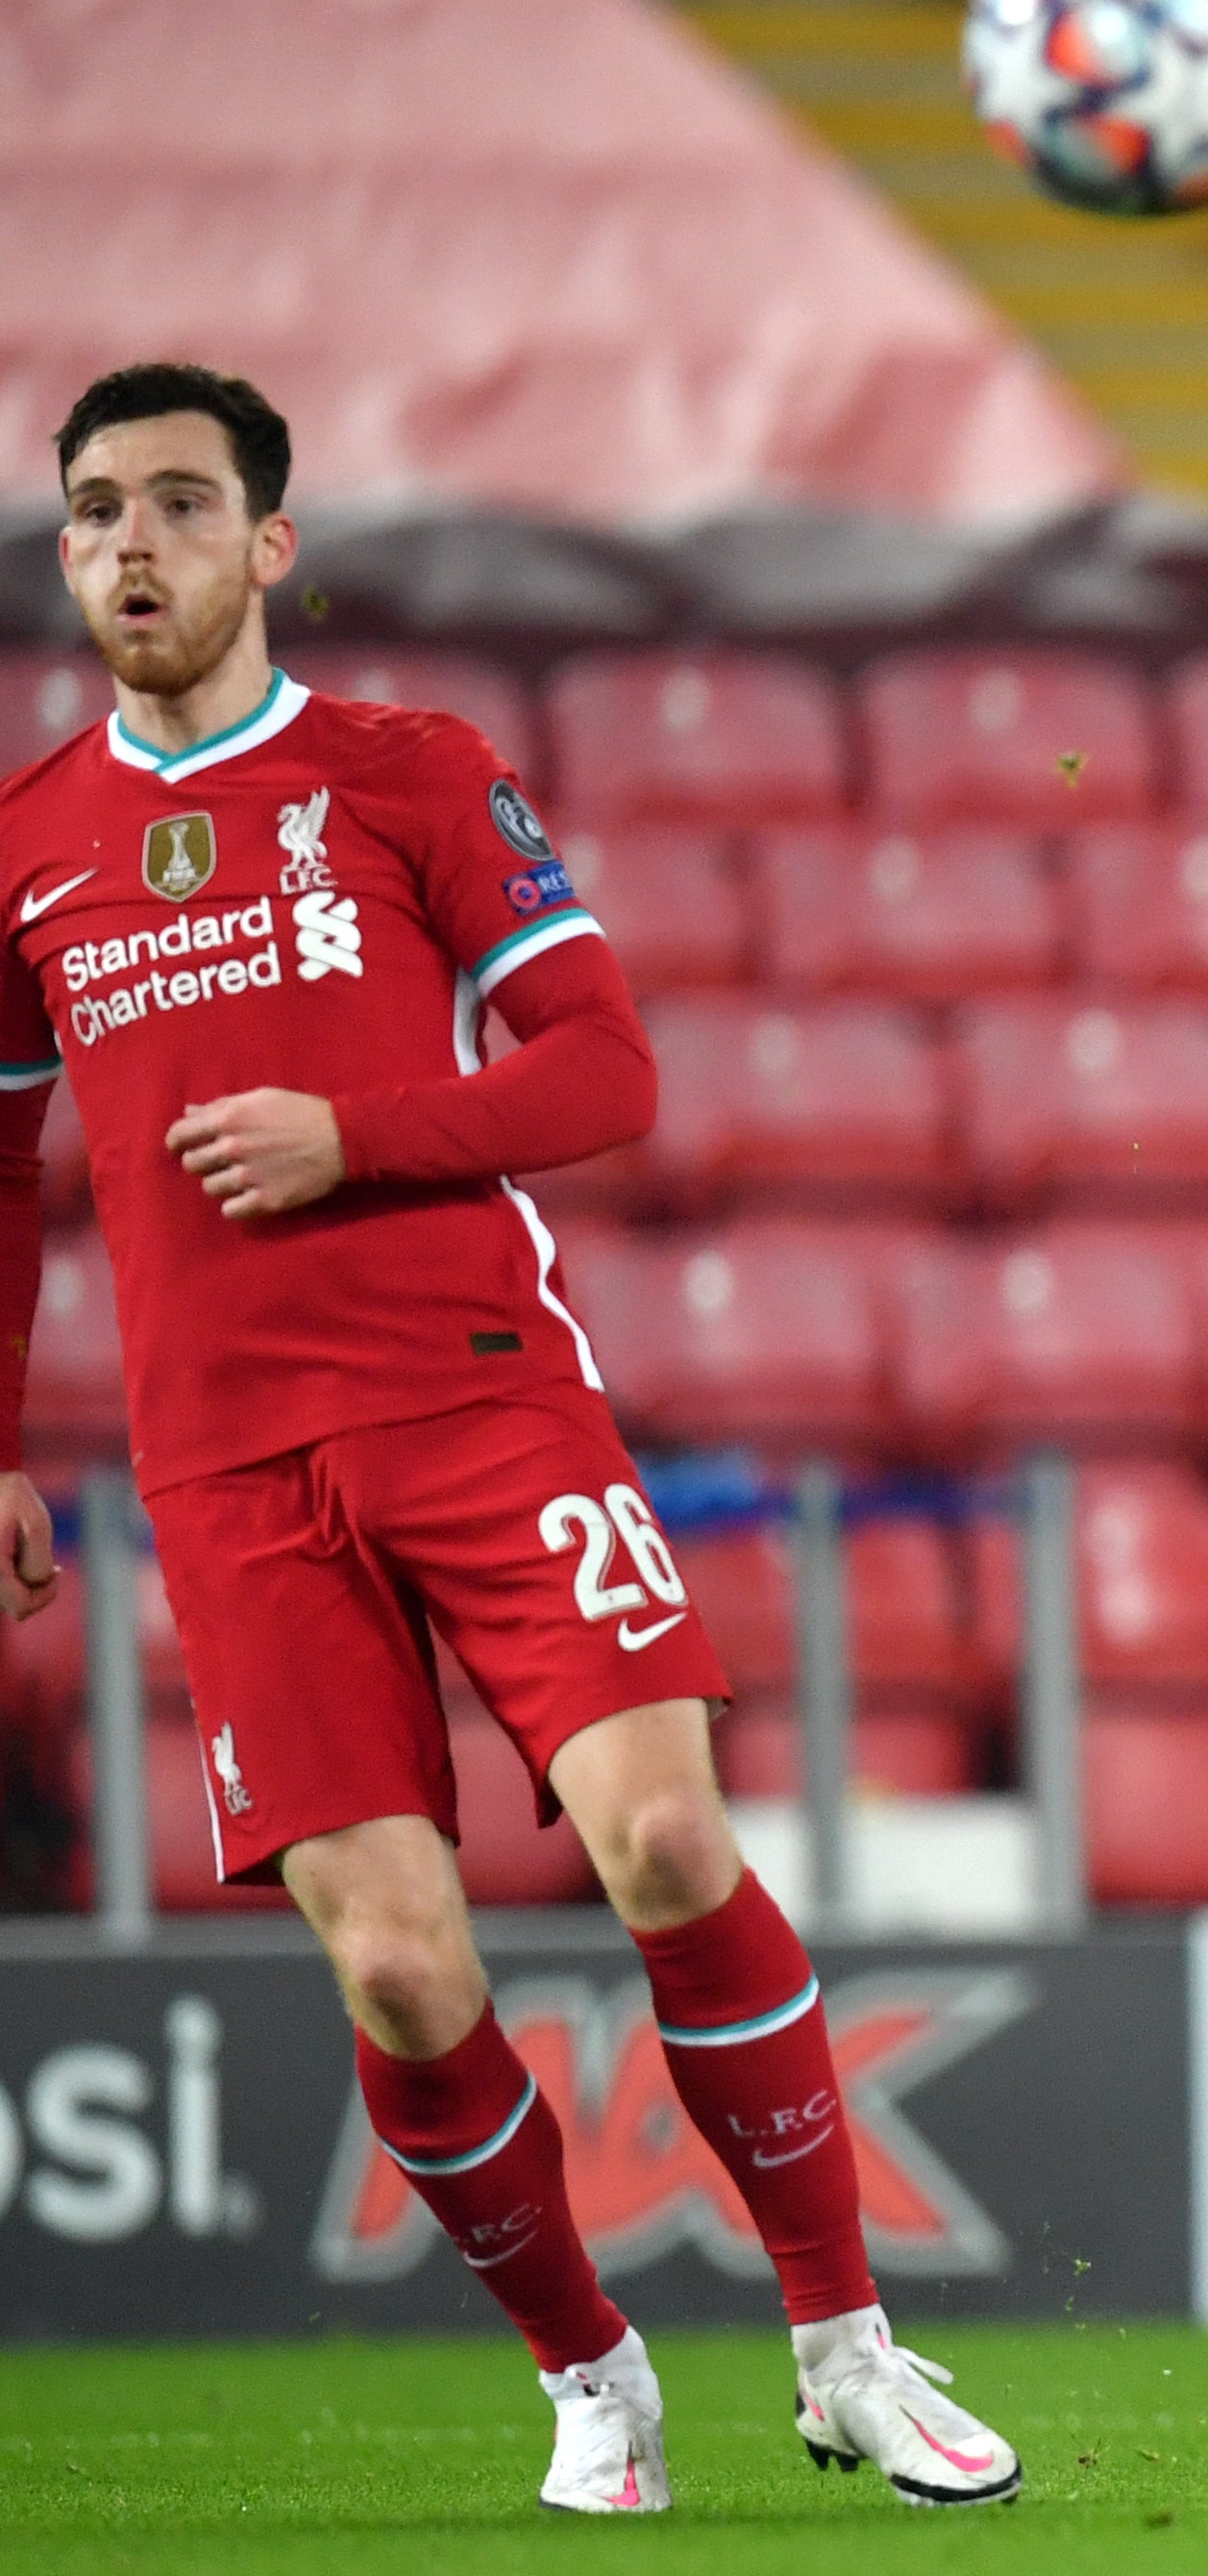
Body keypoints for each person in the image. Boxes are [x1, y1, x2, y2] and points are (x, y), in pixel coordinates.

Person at [11, 365, 1019, 2513]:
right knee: (394, 1955)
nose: (133, 546)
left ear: (270, 546)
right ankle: (592, 2372)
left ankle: (845, 2340)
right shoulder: (24, 850)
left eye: (182, 505)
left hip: (481, 1394)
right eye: (95, 510)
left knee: (662, 1838)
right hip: (228, 1472)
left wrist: (352, 1134)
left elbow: (606, 1071)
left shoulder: (407, 774)